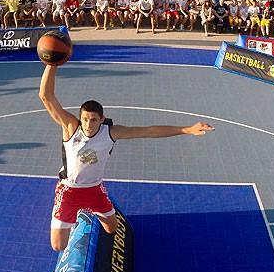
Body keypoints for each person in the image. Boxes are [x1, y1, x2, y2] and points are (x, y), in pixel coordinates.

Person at [38, 64, 214, 251]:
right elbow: (46, 97)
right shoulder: (71, 128)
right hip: (69, 190)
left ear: (102, 118)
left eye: (94, 119)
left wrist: (186, 129)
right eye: (85, 119)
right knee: (58, 246)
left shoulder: (111, 132)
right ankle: (76, 218)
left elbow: (149, 131)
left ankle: (86, 213)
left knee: (111, 228)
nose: (88, 124)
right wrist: (52, 64)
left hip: (94, 189)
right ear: (80, 118)